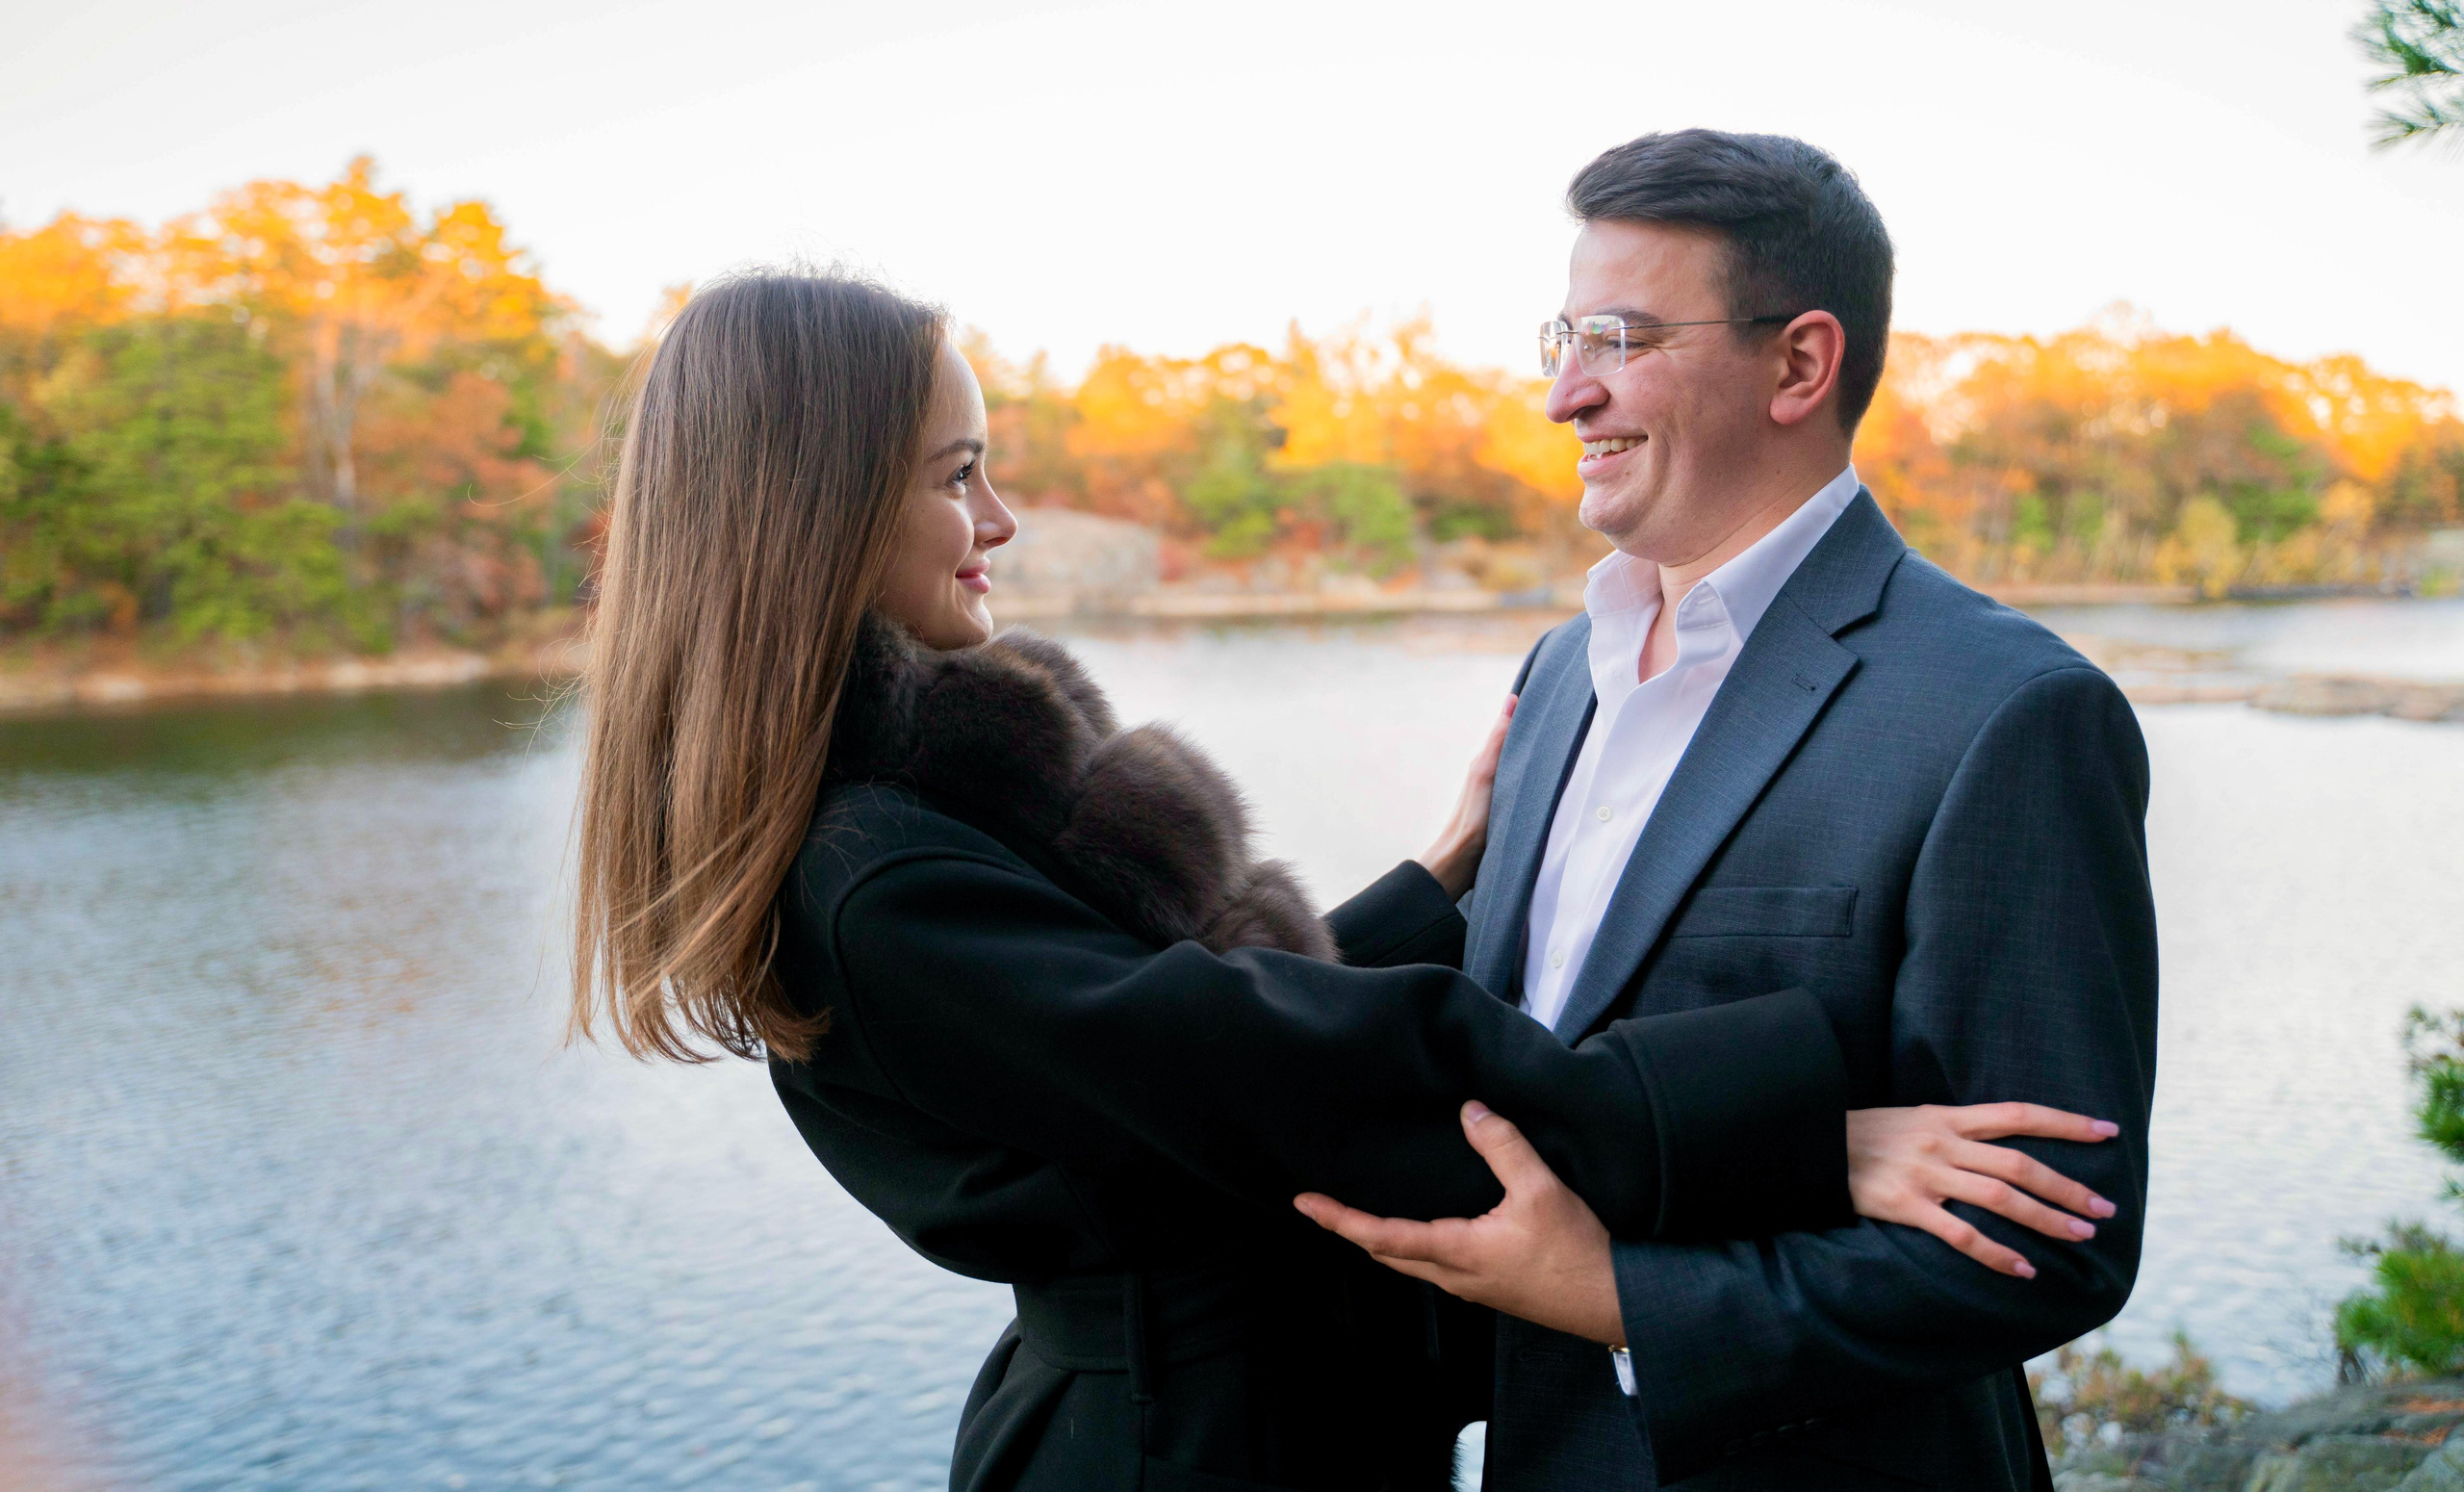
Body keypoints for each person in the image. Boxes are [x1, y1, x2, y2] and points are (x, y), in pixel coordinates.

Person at [567, 268, 2123, 1491]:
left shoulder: (906, 808)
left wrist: (1441, 876)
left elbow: (1178, 1025)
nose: (1000, 520)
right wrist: (1801, 1140)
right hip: (1172, 1463)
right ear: (812, 516)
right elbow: (1291, 1064)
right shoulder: (880, 878)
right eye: (954, 475)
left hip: (1256, 1433)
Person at [1298, 129, 2160, 1491]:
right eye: (1564, 337)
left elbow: (2055, 1238)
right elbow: (1527, 1071)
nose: (1565, 396)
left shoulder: (2007, 713)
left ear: (1800, 365)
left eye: (1624, 339)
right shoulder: (1556, 674)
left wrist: (1622, 1301)